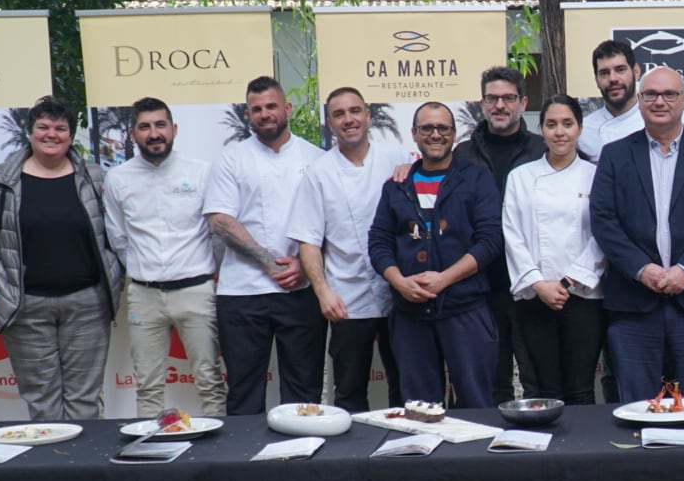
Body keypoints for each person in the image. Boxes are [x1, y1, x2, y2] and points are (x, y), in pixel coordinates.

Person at [0, 97, 124, 421]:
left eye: (60, 128)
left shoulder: (95, 178)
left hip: (87, 303)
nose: (51, 134)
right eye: (43, 127)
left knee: (84, 400)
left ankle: (83, 467)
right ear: (30, 132)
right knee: (42, 401)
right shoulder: (1, 180)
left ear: (71, 135)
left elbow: (115, 235)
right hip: (25, 305)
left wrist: (115, 275)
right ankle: (52, 468)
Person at [590, 66, 684, 403]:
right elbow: (603, 219)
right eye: (651, 94)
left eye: (669, 94)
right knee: (638, 408)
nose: (660, 101)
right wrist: (642, 268)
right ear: (639, 100)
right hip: (633, 304)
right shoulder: (615, 155)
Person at [203, 75, 326, 414]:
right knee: (244, 391)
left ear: (287, 108)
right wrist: (270, 262)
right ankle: (243, 466)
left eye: (271, 106)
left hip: (301, 290)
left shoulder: (316, 158)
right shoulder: (231, 159)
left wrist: (304, 264)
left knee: (304, 388)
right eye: (256, 109)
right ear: (248, 115)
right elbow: (220, 221)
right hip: (242, 293)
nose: (265, 114)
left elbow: (329, 224)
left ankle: (301, 456)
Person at [369, 102, 504, 408]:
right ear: (414, 134)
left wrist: (444, 279)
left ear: (454, 134)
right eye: (427, 128)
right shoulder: (396, 186)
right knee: (419, 411)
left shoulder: (476, 179)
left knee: (476, 408)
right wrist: (399, 282)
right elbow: (378, 242)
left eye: (443, 128)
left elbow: (491, 241)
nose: (435, 135)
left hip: (465, 311)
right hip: (410, 316)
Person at [287, 86, 412, 412]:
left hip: (401, 292)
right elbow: (308, 240)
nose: (349, 119)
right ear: (329, 122)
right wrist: (323, 291)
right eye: (339, 114)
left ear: (368, 115)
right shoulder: (319, 174)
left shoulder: (398, 160)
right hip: (347, 298)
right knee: (349, 391)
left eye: (355, 111)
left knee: (407, 385)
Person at [102, 96, 227, 417]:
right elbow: (119, 238)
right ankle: (150, 459)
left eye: (160, 125)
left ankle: (220, 460)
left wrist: (201, 272)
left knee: (209, 381)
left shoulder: (201, 173)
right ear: (133, 134)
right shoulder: (118, 179)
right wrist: (146, 270)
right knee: (147, 385)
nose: (154, 133)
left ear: (174, 129)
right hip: (144, 294)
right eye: (145, 127)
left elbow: (216, 235)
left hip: (196, 291)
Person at [503, 95, 607, 403]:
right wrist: (539, 283)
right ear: (542, 130)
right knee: (543, 389)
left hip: (584, 296)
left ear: (579, 128)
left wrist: (568, 281)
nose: (559, 132)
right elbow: (512, 234)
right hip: (535, 297)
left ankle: (581, 449)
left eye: (567, 124)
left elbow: (601, 235)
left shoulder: (596, 175)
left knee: (581, 388)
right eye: (551, 125)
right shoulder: (521, 177)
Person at [453, 65, 547, 399]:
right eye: (492, 98)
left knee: (538, 379)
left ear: (523, 102)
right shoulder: (462, 154)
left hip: (532, 284)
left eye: (508, 98)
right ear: (482, 104)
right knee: (491, 383)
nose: (500, 106)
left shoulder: (543, 150)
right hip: (480, 286)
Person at [577, 39, 644, 163]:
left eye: (620, 70)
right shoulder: (582, 131)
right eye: (604, 73)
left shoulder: (653, 125)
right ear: (596, 80)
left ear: (636, 72)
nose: (613, 78)